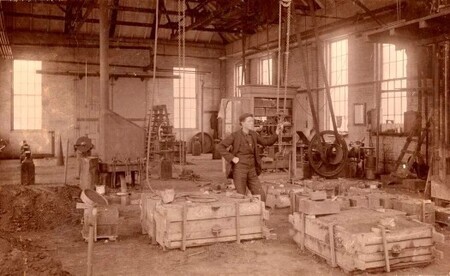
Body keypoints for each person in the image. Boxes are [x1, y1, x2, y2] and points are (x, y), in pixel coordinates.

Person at [216, 113, 284, 202]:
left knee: (260, 195)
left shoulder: (254, 134)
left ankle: (260, 213)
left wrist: (276, 133)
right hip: (239, 169)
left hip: (252, 169)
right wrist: (232, 158)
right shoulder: (235, 135)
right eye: (249, 121)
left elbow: (266, 142)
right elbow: (220, 146)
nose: (251, 123)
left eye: (252, 121)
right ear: (242, 123)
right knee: (241, 196)